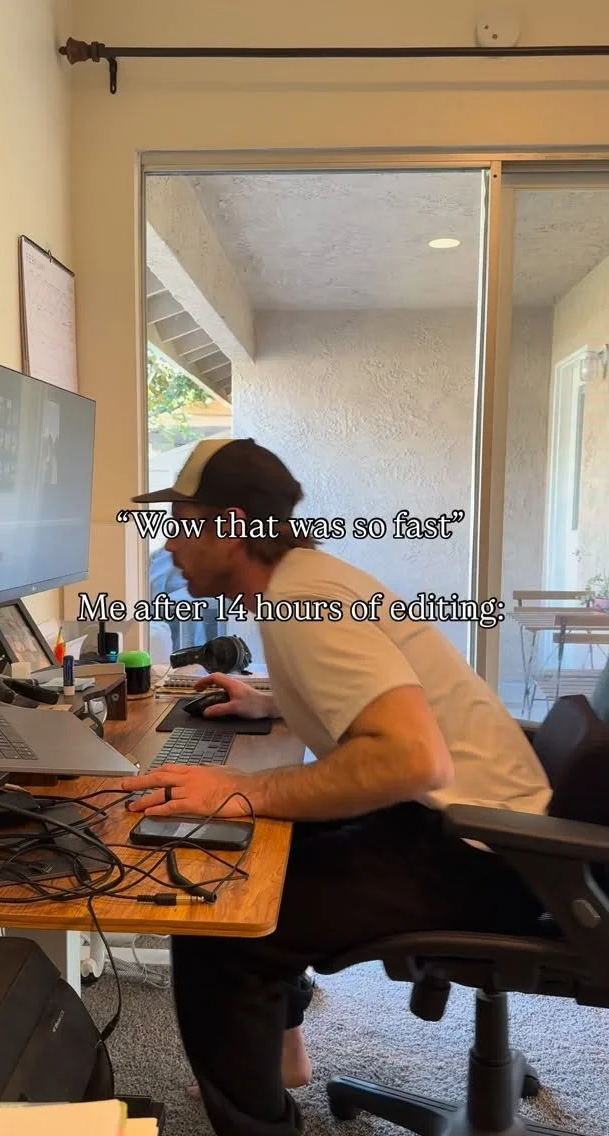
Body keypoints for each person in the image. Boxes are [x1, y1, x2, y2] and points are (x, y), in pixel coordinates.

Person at [124, 437, 552, 1136]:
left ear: (231, 527)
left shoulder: (306, 600)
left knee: (216, 920)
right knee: (257, 848)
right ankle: (282, 1052)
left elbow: (412, 757)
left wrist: (243, 791)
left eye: (182, 524)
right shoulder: (309, 581)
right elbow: (381, 701)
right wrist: (272, 702)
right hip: (491, 829)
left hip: (484, 854)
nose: (168, 543)